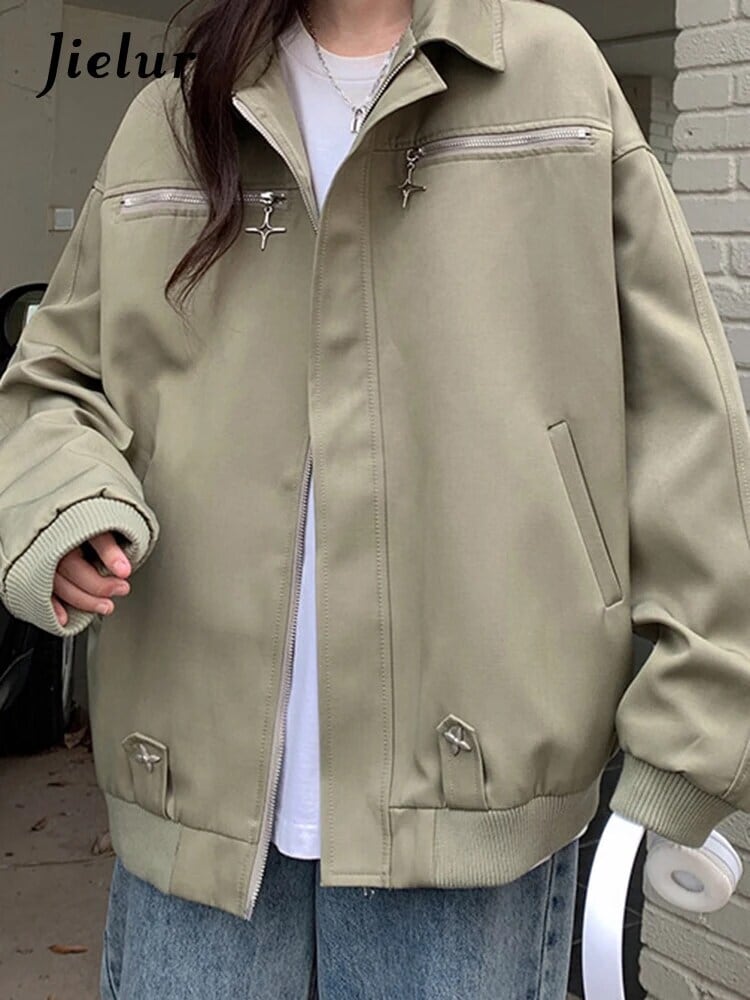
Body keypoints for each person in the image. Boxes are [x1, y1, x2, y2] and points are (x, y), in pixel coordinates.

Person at [1, 0, 750, 996]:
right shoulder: (173, 119)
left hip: (474, 800)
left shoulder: (552, 76)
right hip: (194, 800)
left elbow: (681, 416)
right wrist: (64, 504)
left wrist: (692, 735)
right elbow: (53, 380)